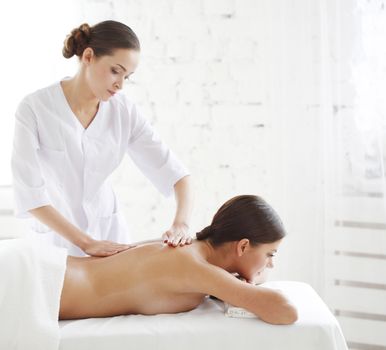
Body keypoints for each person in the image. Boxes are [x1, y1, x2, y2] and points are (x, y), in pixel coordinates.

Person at [11, 20, 194, 257]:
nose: (120, 84)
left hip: (109, 235)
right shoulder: (35, 109)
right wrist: (86, 243)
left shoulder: (123, 111)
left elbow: (178, 175)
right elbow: (30, 195)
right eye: (115, 71)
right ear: (88, 56)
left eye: (127, 76)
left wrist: (182, 223)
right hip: (56, 243)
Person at [59, 195, 298, 325]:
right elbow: (286, 311)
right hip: (46, 286)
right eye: (270, 254)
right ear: (243, 245)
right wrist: (245, 285)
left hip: (55, 273)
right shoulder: (197, 268)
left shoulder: (187, 248)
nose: (270, 265)